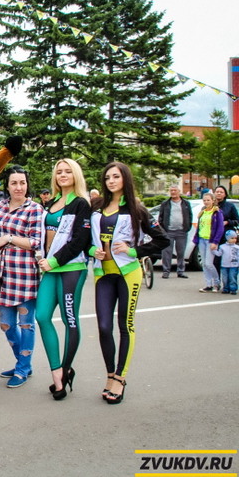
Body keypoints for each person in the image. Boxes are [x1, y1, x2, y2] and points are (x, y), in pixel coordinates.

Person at [90, 162, 169, 404]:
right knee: (104, 327)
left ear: (125, 179)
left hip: (128, 274)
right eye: (107, 177)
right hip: (102, 274)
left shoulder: (137, 209)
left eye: (116, 176)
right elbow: (84, 239)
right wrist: (92, 250)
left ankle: (120, 377)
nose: (111, 181)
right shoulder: (96, 206)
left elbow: (162, 239)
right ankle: (109, 374)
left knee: (125, 325)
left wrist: (134, 251)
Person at [35, 159, 91, 401]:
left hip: (71, 268)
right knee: (41, 316)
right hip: (50, 268)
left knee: (70, 320)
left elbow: (80, 240)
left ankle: (64, 372)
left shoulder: (81, 204)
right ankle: (57, 370)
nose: (63, 175)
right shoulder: (51, 203)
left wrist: (55, 261)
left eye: (68, 171)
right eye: (59, 172)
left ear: (76, 175)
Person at [0, 166, 44, 388]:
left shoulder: (34, 209)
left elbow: (35, 242)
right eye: (14, 183)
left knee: (26, 325)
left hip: (25, 275)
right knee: (6, 324)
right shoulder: (0, 206)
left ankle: (23, 369)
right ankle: (22, 361)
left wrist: (9, 238)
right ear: (7, 185)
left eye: (22, 182)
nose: (18, 187)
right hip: (4, 275)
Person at [158, 185, 192, 279]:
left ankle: (181, 271)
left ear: (179, 191)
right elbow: (161, 217)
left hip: (182, 232)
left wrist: (187, 227)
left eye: (175, 190)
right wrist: (163, 229)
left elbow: (190, 216)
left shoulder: (186, 203)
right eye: (171, 190)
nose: (173, 192)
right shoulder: (165, 204)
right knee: (166, 252)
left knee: (181, 252)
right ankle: (166, 271)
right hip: (168, 231)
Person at [193, 191, 224, 293]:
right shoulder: (203, 212)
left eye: (208, 200)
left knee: (209, 263)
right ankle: (208, 284)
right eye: (204, 200)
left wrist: (215, 241)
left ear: (213, 201)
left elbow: (220, 228)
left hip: (210, 240)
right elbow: (199, 226)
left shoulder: (217, 212)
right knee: (204, 264)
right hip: (202, 239)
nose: (206, 202)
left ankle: (216, 283)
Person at [212, 185, 238, 288]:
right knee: (215, 261)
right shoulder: (210, 206)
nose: (219, 193)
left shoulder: (229, 206)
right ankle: (216, 282)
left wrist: (227, 222)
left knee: (228, 261)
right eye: (217, 191)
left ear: (225, 194)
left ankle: (229, 284)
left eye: (221, 192)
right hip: (214, 237)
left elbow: (237, 220)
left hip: (226, 236)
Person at [215, 230, 239, 295]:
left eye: (235, 238)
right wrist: (214, 250)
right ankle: (226, 288)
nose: (234, 240)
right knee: (225, 278)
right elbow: (219, 254)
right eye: (232, 238)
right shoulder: (222, 247)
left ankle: (233, 289)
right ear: (227, 238)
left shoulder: (237, 247)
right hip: (224, 265)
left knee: (232, 277)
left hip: (234, 265)